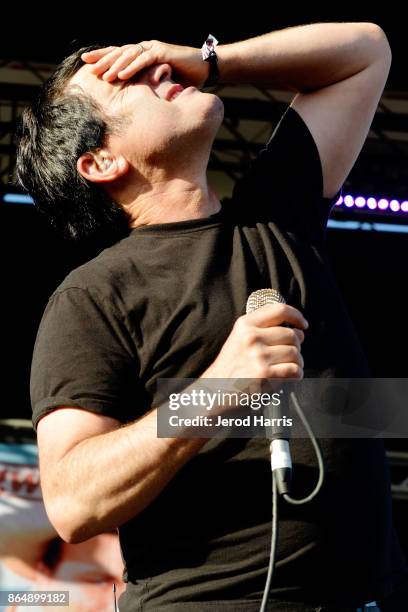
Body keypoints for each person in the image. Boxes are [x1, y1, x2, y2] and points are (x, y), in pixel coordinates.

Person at [15, 23, 408, 611]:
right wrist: (218, 390)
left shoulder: (278, 215)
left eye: (152, 62)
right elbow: (74, 503)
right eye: (125, 81)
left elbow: (366, 51)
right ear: (99, 162)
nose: (158, 69)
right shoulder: (94, 296)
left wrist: (211, 61)